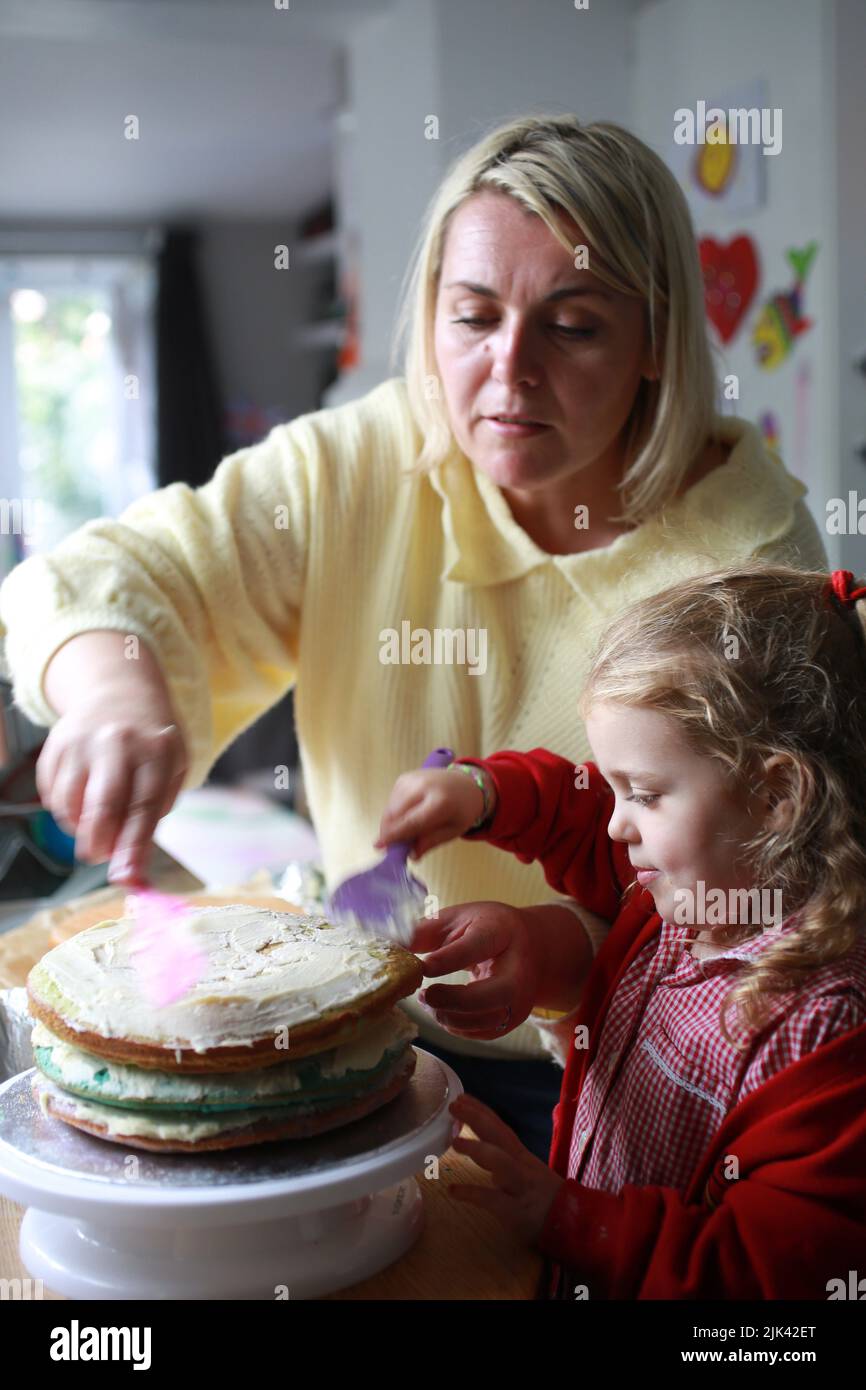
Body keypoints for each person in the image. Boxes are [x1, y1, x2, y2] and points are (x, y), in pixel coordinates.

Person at [0, 116, 828, 1162]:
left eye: (570, 326)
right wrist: (115, 688)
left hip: (618, 1087)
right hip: (365, 1030)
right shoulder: (370, 459)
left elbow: (764, 912)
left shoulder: (744, 563)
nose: (505, 371)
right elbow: (97, 577)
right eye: (471, 315)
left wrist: (566, 955)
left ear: (656, 338)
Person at [375, 562, 866, 1299]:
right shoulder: (700, 881)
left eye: (643, 793)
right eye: (613, 787)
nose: (614, 822)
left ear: (775, 796)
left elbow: (765, 1275)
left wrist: (564, 1215)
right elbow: (575, 813)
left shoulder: (826, 1033)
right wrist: (483, 794)